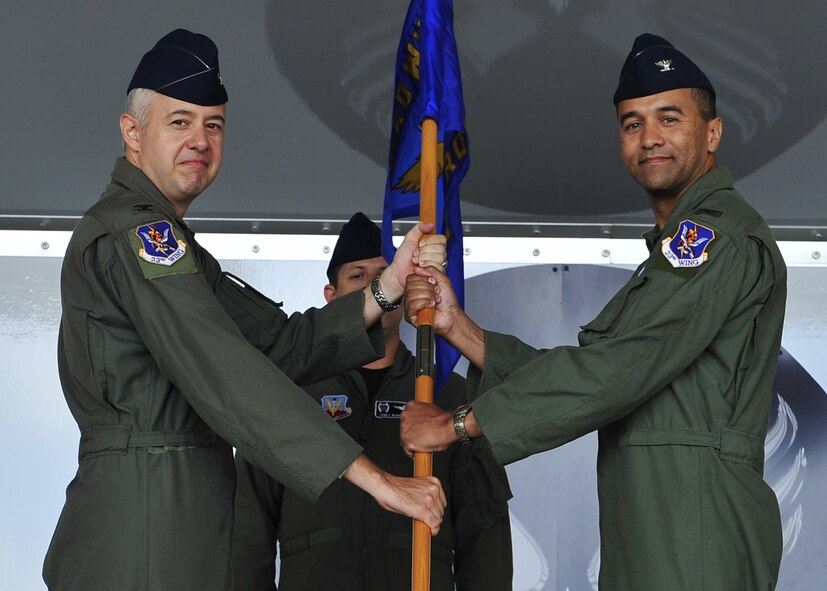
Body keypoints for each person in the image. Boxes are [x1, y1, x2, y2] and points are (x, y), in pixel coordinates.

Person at [43, 29, 449, 591]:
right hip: (146, 521)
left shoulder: (176, 244)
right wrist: (376, 479)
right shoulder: (139, 233)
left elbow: (278, 348)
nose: (200, 141)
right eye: (179, 122)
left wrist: (388, 288)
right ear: (132, 133)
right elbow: (228, 373)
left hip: (181, 517)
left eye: (214, 125)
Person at [401, 33, 787, 590]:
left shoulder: (713, 237)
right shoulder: (670, 253)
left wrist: (455, 424)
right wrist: (456, 327)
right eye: (633, 123)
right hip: (657, 530)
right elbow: (604, 372)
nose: (649, 138)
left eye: (668, 118)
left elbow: (613, 374)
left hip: (696, 534)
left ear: (712, 133)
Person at [232, 213, 513, 591]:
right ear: (331, 296)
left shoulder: (447, 397)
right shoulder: (290, 394)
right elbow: (246, 536)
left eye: (384, 274)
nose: (377, 286)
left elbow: (484, 537)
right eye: (359, 276)